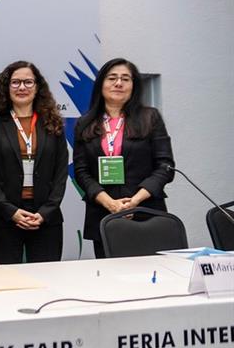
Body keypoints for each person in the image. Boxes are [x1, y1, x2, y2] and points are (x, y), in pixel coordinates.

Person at [73, 58, 175, 258]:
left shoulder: (150, 117)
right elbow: (81, 171)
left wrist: (135, 200)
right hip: (103, 215)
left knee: (150, 274)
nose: (118, 83)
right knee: (110, 275)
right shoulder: (85, 123)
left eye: (125, 79)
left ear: (133, 86)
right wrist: (110, 203)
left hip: (146, 212)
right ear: (101, 84)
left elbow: (165, 166)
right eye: (112, 78)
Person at [0, 61, 68, 264]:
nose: (22, 87)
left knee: (46, 278)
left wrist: (45, 212)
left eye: (28, 82)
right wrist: (10, 212)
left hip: (45, 218)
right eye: (15, 82)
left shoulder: (52, 123)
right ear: (6, 87)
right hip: (3, 218)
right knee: (6, 279)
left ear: (37, 87)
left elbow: (61, 172)